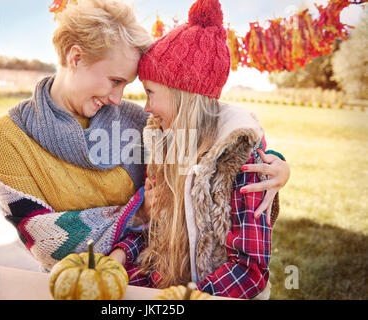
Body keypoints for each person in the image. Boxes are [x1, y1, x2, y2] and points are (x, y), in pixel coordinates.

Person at [0, 0, 289, 273]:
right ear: (76, 57)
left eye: (127, 84)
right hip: (77, 285)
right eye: (115, 81)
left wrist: (272, 161)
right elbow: (42, 239)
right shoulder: (8, 137)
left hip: (149, 279)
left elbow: (206, 123)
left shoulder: (139, 122)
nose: (119, 99)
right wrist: (137, 212)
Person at [109, 0, 290, 299]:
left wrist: (182, 298)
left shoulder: (243, 164)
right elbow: (155, 233)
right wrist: (119, 258)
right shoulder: (164, 146)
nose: (146, 107)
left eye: (150, 93)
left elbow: (249, 270)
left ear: (183, 95)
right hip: (171, 289)